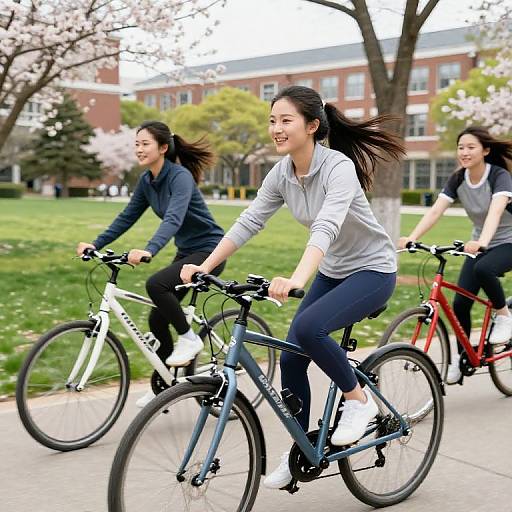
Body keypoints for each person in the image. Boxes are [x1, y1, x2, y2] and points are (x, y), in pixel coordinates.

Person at [180, 85, 405, 489]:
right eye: (272, 121)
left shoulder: (337, 167)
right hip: (335, 269)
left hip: (373, 270)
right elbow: (250, 220)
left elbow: (327, 224)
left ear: (312, 126)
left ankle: (359, 401)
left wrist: (298, 278)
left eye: (286, 120)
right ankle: (301, 448)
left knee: (308, 329)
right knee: (291, 358)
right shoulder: (282, 172)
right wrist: (205, 265)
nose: (276, 129)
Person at [76, 120, 225, 407]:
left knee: (155, 284)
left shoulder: (179, 177)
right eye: (136, 144)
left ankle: (190, 339)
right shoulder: (147, 181)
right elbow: (126, 216)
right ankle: (165, 385)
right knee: (158, 317)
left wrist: (149, 249)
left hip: (209, 252)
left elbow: (174, 218)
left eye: (145, 144)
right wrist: (96, 243)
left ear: (163, 147)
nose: (139, 149)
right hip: (186, 253)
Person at [399, 126, 512, 384]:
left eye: (471, 147)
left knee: (484, 270)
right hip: (481, 242)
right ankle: (462, 359)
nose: (464, 152)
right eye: (461, 147)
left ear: (485, 150)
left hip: (508, 241)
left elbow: (496, 211)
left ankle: (504, 315)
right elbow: (436, 211)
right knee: (460, 303)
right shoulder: (459, 178)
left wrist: (482, 241)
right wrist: (413, 237)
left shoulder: (499, 176)